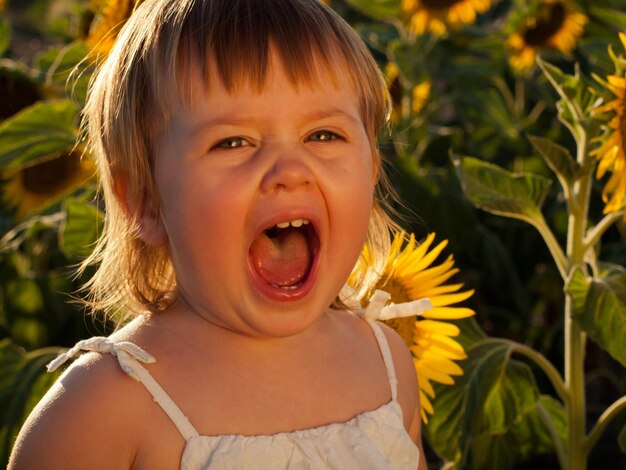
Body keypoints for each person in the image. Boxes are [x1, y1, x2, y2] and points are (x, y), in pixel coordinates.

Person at [9, 0, 428, 468]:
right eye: (233, 142)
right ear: (145, 202)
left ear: (372, 167)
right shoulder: (103, 409)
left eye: (324, 135)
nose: (291, 171)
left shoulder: (386, 365)